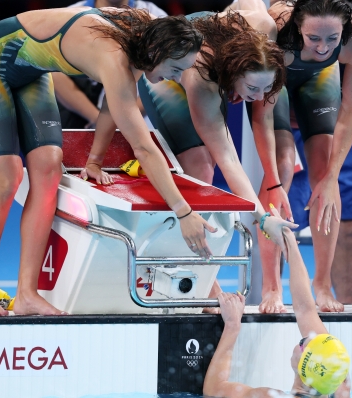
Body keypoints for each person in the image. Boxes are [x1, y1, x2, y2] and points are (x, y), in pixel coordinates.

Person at [0, 6, 209, 316]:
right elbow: (143, 148)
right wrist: (183, 212)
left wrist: (94, 160)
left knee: (49, 169)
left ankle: (26, 293)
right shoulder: (115, 57)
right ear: (158, 51)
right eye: (176, 68)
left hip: (32, 72)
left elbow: (113, 107)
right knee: (7, 175)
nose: (177, 77)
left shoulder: (141, 41)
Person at [81, 2, 300, 302]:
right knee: (201, 165)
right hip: (172, 72)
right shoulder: (201, 81)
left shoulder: (263, 27)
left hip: (213, 53)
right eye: (252, 89)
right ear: (234, 71)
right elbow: (229, 160)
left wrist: (226, 18)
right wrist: (262, 219)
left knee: (209, 158)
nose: (259, 98)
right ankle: (204, 282)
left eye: (266, 89)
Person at [261, 0, 352, 313]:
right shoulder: (274, 28)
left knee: (325, 172)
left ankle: (321, 283)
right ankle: (271, 286)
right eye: (314, 39)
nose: (323, 47)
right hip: (276, 81)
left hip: (319, 80)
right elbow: (261, 114)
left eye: (332, 39)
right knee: (282, 168)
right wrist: (271, 178)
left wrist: (332, 176)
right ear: (298, 27)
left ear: (345, 29)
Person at [203, 207, 351, 398]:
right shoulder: (339, 388)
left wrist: (232, 325)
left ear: (302, 365)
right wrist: (288, 239)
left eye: (305, 343)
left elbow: (213, 390)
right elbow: (305, 309)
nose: (309, 335)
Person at [52, 0, 167, 130]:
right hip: (79, 115)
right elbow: (54, 73)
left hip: (138, 117)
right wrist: (96, 118)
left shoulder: (155, 16)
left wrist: (122, 119)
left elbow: (166, 75)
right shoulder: (70, 14)